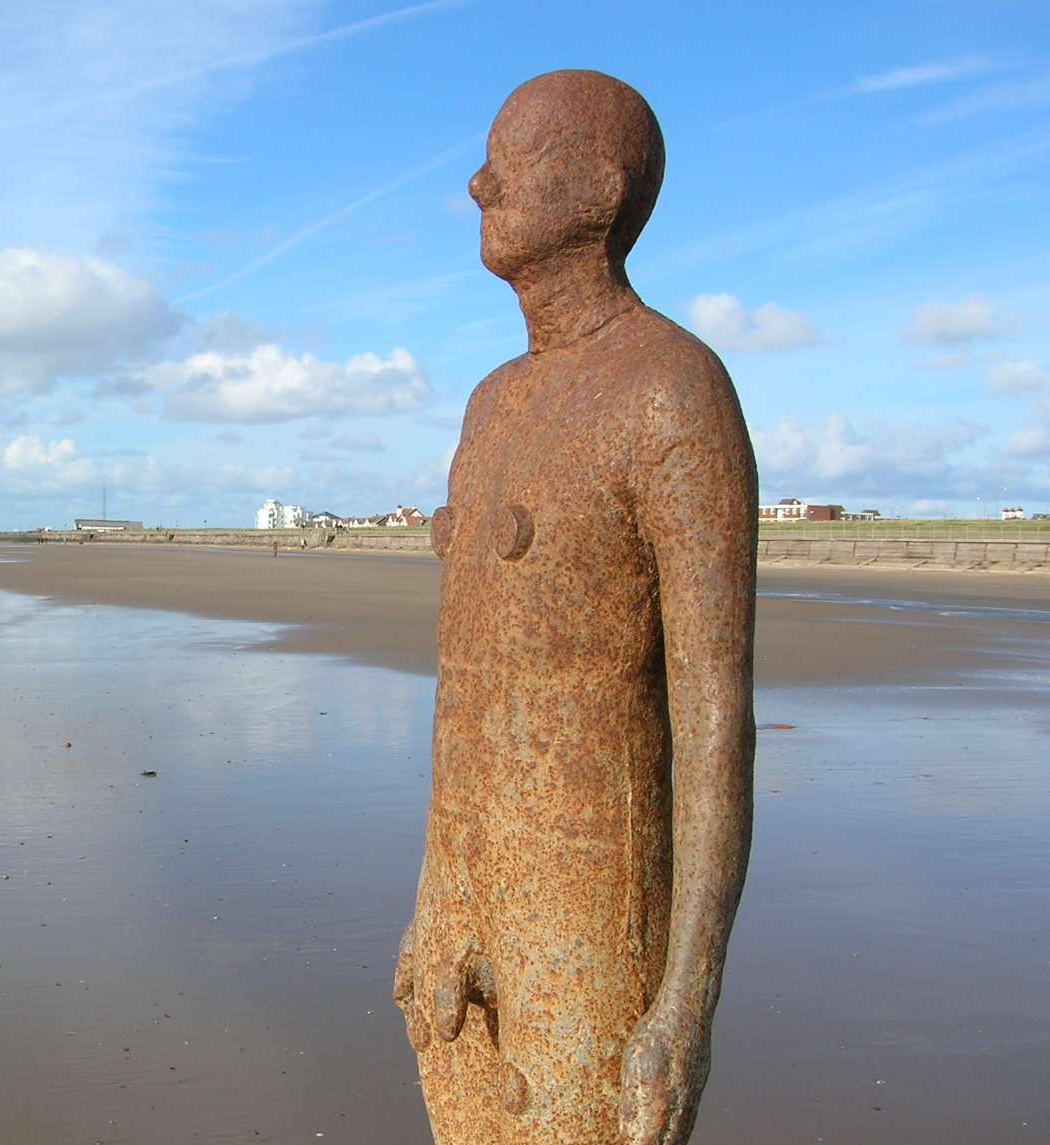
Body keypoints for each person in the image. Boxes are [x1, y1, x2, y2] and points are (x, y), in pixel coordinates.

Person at [394, 70, 757, 1145]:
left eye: (517, 156)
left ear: (599, 190)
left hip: (589, 903)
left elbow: (712, 719)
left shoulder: (669, 386)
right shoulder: (492, 400)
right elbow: (470, 691)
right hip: (465, 892)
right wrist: (431, 900)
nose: (478, 180)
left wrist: (685, 1001)